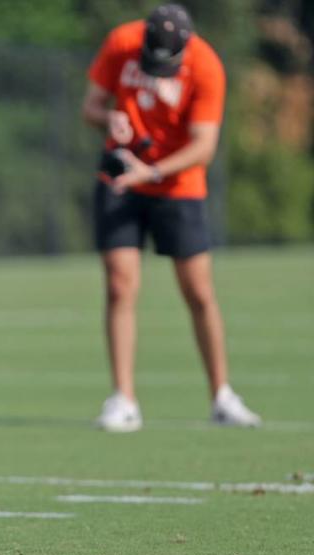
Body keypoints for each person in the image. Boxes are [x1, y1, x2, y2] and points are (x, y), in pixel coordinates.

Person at [81, 4, 261, 432]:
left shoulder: (207, 67)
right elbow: (90, 107)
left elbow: (204, 146)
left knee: (199, 292)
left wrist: (156, 171)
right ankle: (123, 399)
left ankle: (222, 395)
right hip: (121, 177)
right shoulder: (122, 42)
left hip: (177, 186)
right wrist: (111, 118)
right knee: (120, 285)